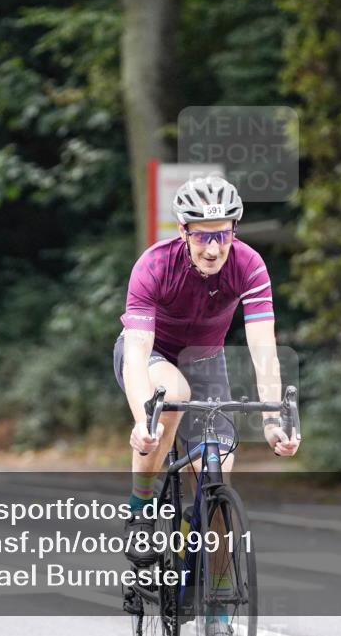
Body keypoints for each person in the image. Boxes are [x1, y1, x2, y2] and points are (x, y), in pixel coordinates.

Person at [114, 175, 300, 630]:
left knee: (218, 473)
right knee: (172, 398)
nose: (213, 248)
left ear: (234, 231)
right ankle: (141, 510)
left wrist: (274, 420)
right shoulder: (154, 266)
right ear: (183, 232)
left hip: (206, 360)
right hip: (153, 356)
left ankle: (216, 611)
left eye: (222, 234)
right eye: (202, 236)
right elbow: (137, 352)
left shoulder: (250, 267)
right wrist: (144, 418)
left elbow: (263, 350)